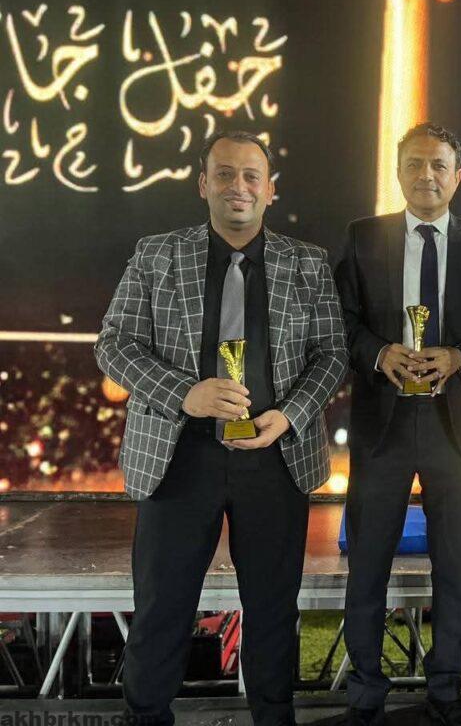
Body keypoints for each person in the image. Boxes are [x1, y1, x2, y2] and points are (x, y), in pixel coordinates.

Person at [95, 130, 348, 726]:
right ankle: (146, 716)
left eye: (251, 176)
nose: (239, 187)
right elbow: (114, 345)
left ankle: (273, 717)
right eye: (226, 174)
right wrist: (185, 394)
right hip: (179, 455)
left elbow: (333, 354)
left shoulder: (307, 262)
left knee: (273, 609)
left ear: (270, 190)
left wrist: (289, 414)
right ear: (203, 184)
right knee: (161, 607)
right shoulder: (157, 254)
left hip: (275, 457)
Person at [334, 122, 461, 726]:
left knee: (453, 565)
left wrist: (459, 357)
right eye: (415, 164)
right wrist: (378, 354)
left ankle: (446, 692)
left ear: (457, 176)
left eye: (439, 165)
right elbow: (339, 320)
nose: (427, 175)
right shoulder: (364, 238)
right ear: (399, 173)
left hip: (455, 425)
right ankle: (365, 694)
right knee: (367, 563)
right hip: (383, 425)